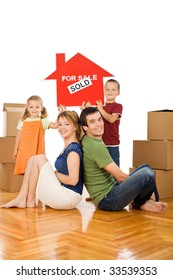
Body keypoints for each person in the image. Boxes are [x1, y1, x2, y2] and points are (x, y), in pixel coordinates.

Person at [79, 107, 168, 213]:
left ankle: (143, 202)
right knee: (147, 174)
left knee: (146, 167)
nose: (99, 124)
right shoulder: (95, 146)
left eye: (99, 119)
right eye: (92, 122)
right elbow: (120, 177)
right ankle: (145, 202)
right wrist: (149, 191)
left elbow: (76, 128)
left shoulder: (87, 138)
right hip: (107, 200)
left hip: (111, 190)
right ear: (85, 127)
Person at [0, 110, 83, 209]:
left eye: (67, 124)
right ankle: (26, 199)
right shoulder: (68, 147)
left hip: (68, 198)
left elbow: (73, 180)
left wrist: (55, 174)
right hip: (64, 194)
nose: (62, 127)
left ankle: (27, 199)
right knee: (33, 159)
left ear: (75, 127)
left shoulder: (73, 150)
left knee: (39, 158)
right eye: (60, 124)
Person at [13, 95, 58, 175]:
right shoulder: (23, 121)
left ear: (41, 108)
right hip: (25, 151)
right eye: (31, 107)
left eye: (37, 107)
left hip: (37, 151)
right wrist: (16, 149)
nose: (34, 109)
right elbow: (19, 135)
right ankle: (28, 187)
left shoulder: (43, 121)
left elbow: (55, 125)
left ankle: (33, 187)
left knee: (36, 173)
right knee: (26, 172)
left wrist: (60, 113)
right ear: (27, 108)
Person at [96, 79, 122, 167]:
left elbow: (111, 119)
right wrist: (84, 109)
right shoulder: (99, 107)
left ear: (118, 92)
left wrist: (100, 109)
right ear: (104, 91)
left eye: (113, 89)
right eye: (107, 89)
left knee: (114, 173)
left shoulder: (118, 106)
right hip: (99, 144)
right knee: (102, 171)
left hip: (112, 145)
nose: (110, 91)